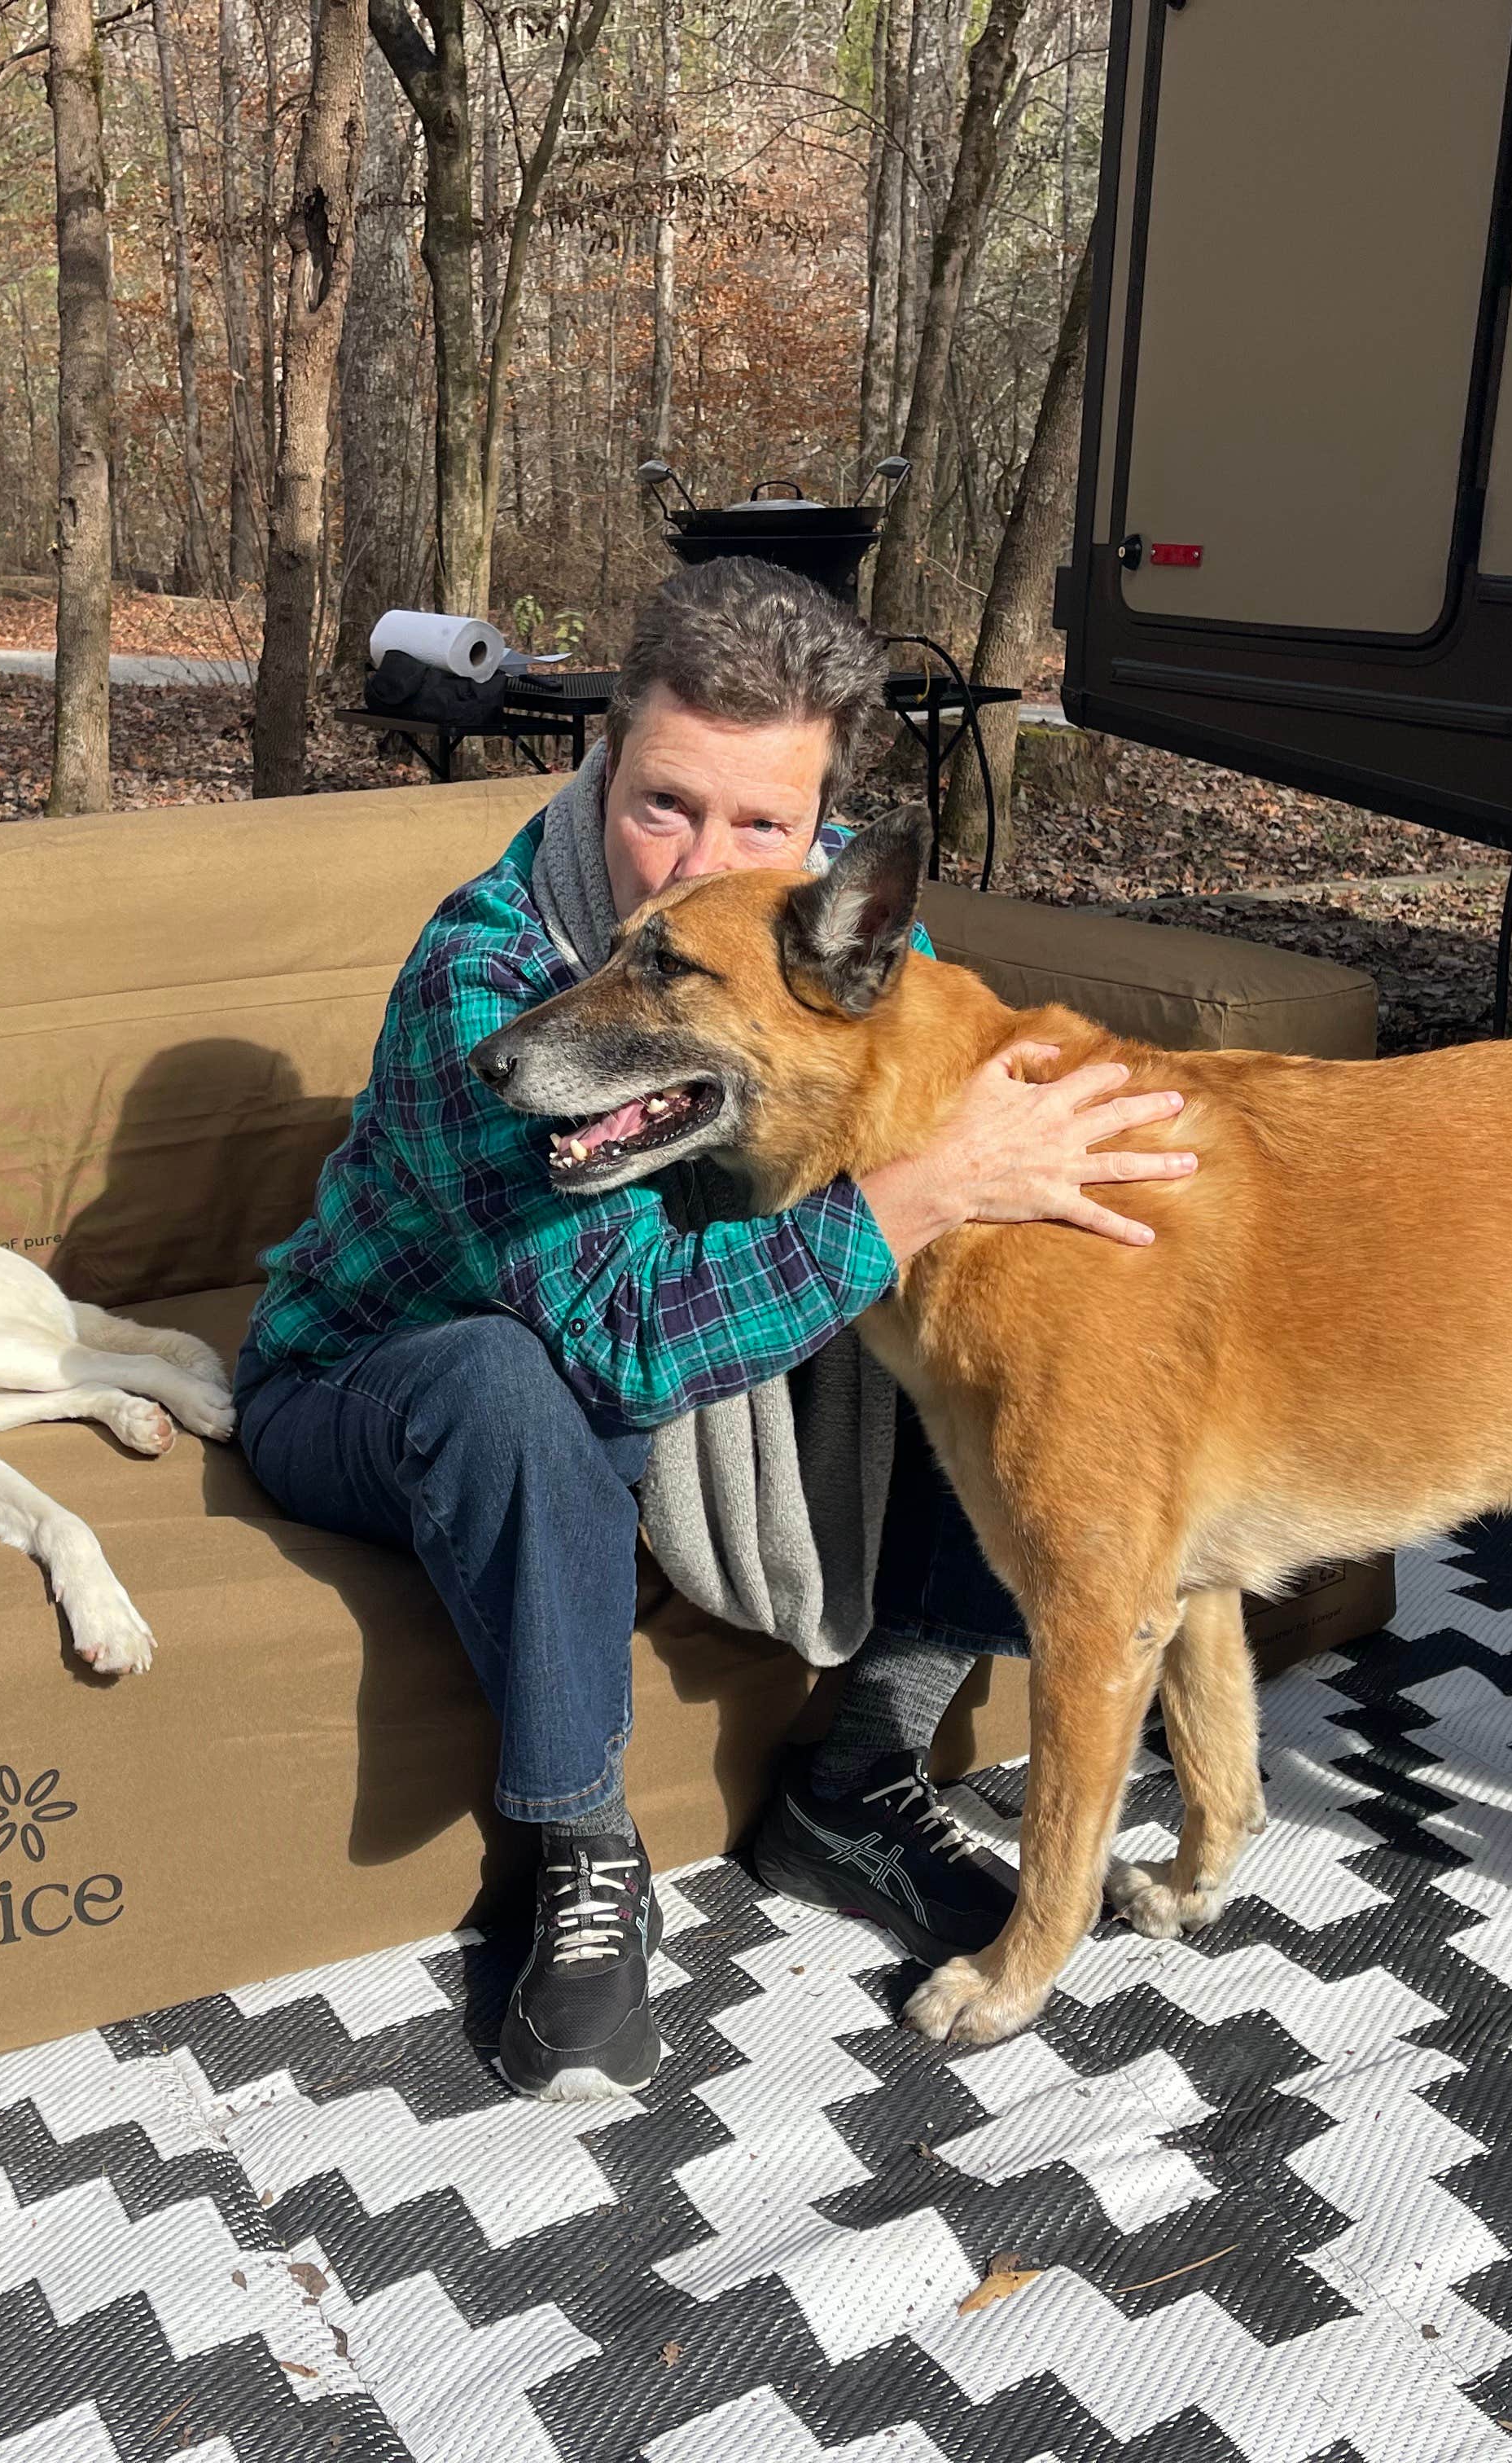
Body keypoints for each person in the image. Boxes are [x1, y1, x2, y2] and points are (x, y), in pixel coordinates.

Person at [235, 557, 1197, 2099]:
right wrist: (909, 1195)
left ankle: (860, 1766)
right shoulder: (489, 975)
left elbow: (957, 1121)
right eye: (664, 805)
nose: (695, 862)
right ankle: (578, 1840)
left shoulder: (834, 953)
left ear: (822, 839)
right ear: (602, 758)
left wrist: (1018, 1177)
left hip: (636, 1353)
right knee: (515, 1376)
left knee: (1008, 1295)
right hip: (376, 1380)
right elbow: (615, 1343)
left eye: (760, 825)